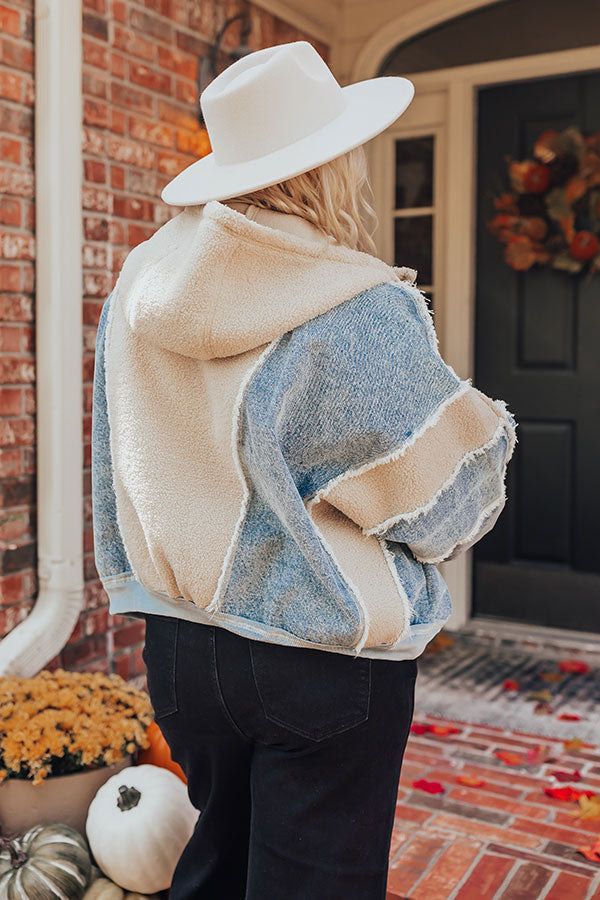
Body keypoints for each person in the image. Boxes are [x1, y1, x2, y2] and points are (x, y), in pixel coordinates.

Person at [91, 41, 517, 900]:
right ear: (330, 164)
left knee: (211, 870)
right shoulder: (353, 302)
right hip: (317, 656)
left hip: (178, 647)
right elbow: (449, 505)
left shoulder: (139, 283)